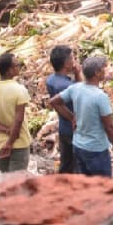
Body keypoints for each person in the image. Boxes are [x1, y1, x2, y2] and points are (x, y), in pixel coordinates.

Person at [49, 56, 113, 177]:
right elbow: (109, 127)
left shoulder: (75, 88)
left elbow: (53, 101)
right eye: (103, 69)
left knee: (86, 184)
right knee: (102, 187)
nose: (106, 71)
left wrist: (71, 117)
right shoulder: (100, 96)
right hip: (96, 150)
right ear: (97, 73)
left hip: (78, 146)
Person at [46, 46, 79, 174]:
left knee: (66, 164)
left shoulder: (52, 80)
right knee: (76, 167)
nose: (74, 60)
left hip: (64, 128)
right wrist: (73, 118)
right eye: (72, 58)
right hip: (74, 130)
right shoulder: (65, 85)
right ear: (66, 63)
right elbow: (82, 90)